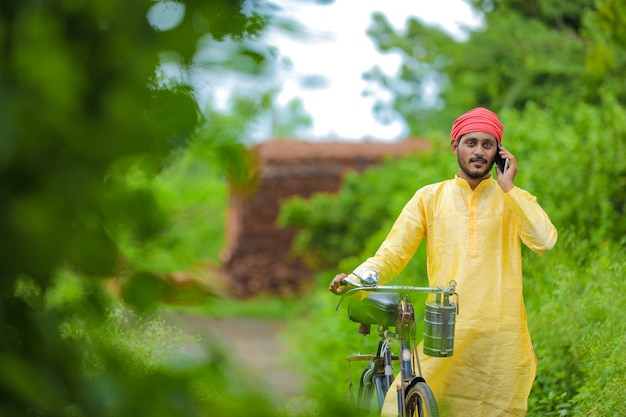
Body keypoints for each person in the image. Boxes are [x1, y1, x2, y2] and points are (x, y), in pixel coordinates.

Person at [329, 107, 558, 417]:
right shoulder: (429, 198)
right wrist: (356, 279)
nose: (479, 151)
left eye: (487, 145)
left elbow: (544, 241)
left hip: (501, 339)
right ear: (455, 146)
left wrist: (509, 187)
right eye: (471, 143)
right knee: (406, 406)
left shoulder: (514, 199)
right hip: (448, 332)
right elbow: (391, 253)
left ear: (499, 153)